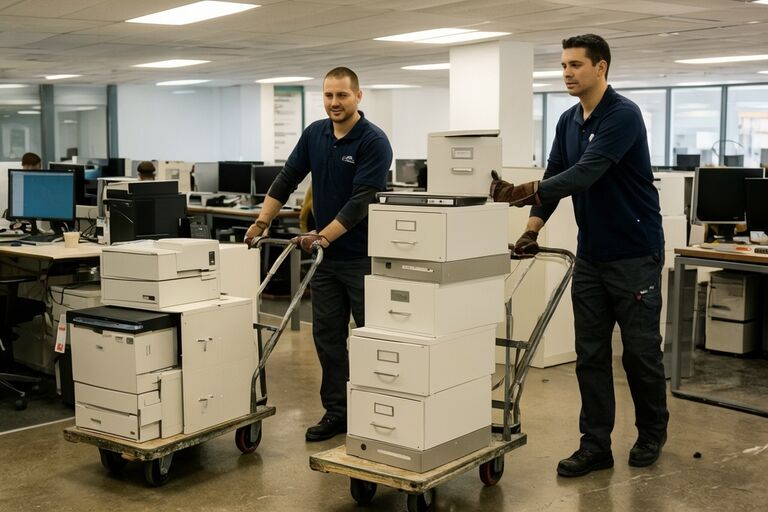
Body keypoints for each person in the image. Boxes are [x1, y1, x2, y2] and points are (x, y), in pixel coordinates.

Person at [490, 34, 668, 477]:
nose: (567, 73)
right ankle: (595, 446)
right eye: (564, 65)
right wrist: (531, 229)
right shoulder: (568, 120)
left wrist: (521, 191)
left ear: (601, 68)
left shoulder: (622, 116)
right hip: (592, 255)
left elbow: (587, 173)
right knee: (589, 354)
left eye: (576, 65)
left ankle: (650, 434)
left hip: (634, 253)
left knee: (640, 353)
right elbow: (556, 175)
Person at [244, 67, 393, 442]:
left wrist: (323, 236)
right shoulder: (315, 134)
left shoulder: (373, 141)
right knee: (327, 337)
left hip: (364, 258)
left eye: (341, 95)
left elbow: (362, 201)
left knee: (371, 338)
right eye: (328, 96)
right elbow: (288, 176)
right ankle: (338, 413)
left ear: (358, 96)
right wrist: (262, 222)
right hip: (328, 263)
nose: (334, 103)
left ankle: (380, 410)